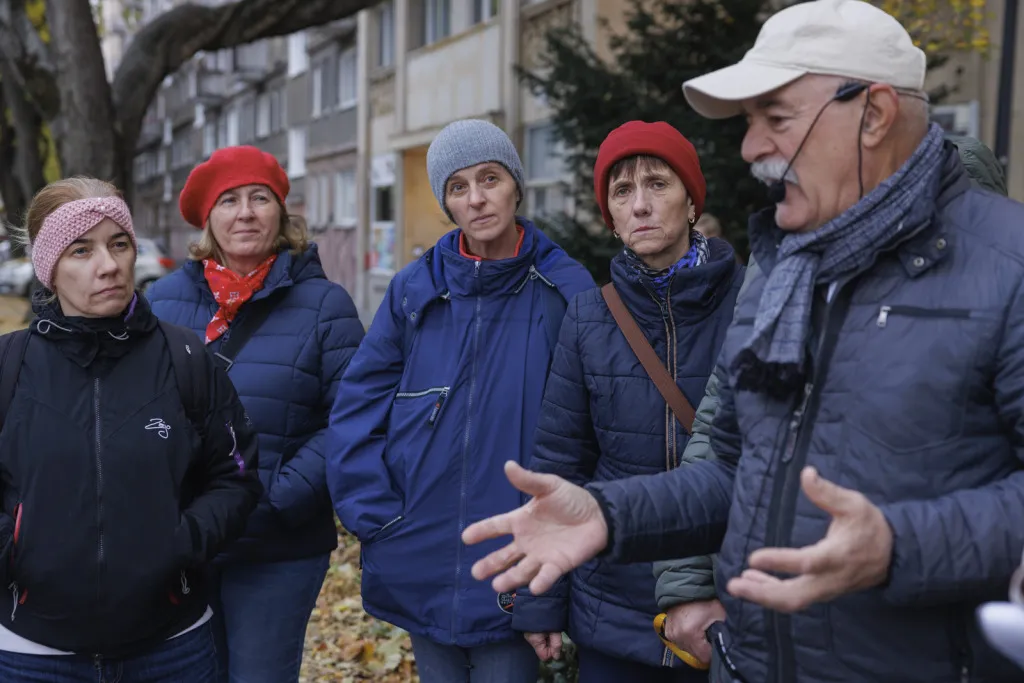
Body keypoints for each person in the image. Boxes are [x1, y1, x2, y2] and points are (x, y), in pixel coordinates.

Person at [459, 1, 1024, 681]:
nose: (751, 147)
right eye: (750, 123)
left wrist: (901, 545)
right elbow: (733, 465)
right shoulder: (783, 273)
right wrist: (608, 514)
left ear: (874, 115)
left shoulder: (1008, 266)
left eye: (776, 119)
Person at [649, 131, 1010, 664]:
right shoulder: (781, 272)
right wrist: (687, 586)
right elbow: (719, 436)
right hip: (768, 619)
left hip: (933, 631)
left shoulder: (1000, 301)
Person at [327, 119, 595, 683]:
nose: (476, 198)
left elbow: (589, 431)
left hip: (516, 559)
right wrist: (380, 520)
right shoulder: (413, 291)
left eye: (490, 178)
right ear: (446, 203)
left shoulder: (567, 291)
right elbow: (357, 410)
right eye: (458, 186)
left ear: (515, 186)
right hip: (418, 554)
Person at [0, 177, 261, 681]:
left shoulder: (186, 358)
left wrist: (179, 543)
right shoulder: (9, 365)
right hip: (32, 654)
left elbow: (236, 476)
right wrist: (19, 554)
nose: (109, 265)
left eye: (119, 244)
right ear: (49, 268)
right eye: (81, 250)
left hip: (172, 648)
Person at [509, 121, 742, 681]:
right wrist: (541, 600)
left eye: (658, 184)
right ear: (610, 218)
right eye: (622, 191)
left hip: (725, 602)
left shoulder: (749, 301)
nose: (640, 204)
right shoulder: (590, 316)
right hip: (613, 604)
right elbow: (560, 461)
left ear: (692, 201)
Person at [148, 146, 364, 683]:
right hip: (186, 540)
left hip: (277, 544)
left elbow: (353, 416)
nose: (245, 213)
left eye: (259, 198)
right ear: (208, 219)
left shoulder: (326, 305)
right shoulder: (161, 302)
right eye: (229, 201)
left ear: (280, 213)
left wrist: (277, 492)